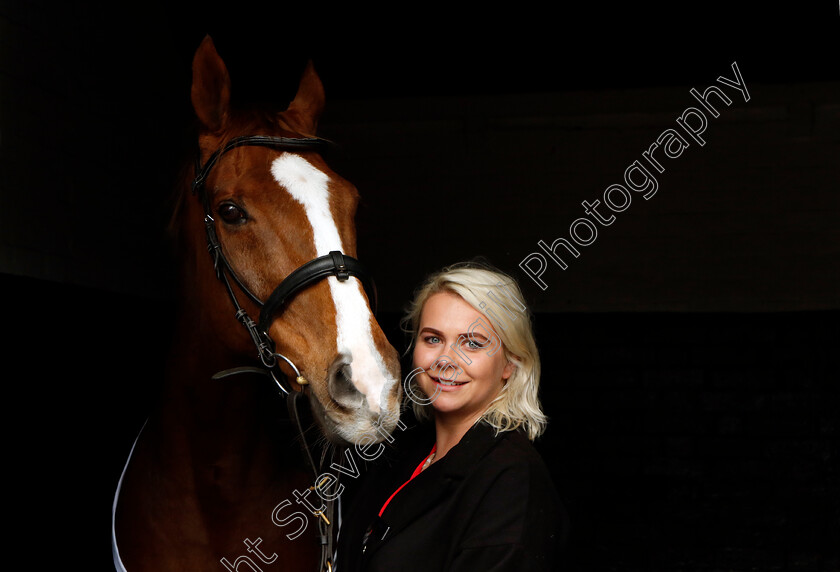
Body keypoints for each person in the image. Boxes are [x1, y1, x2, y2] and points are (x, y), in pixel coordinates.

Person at [336, 261, 567, 571]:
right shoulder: (401, 456)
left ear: (511, 362)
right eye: (433, 339)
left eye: (472, 343)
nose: (446, 359)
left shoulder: (512, 482)